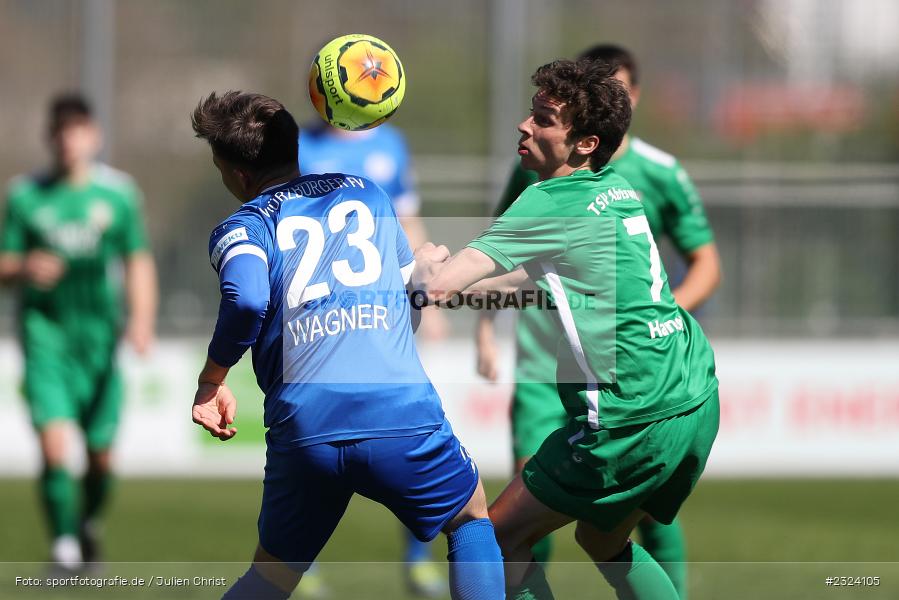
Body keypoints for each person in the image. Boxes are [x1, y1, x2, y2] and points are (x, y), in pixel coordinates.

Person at [414, 58, 719, 599]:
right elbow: (520, 281)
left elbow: (441, 285)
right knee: (603, 542)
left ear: (585, 142)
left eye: (544, 119)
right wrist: (448, 285)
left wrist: (423, 268)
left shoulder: (548, 200)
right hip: (693, 394)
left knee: (496, 534)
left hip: (630, 413)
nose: (524, 126)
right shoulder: (615, 188)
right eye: (531, 114)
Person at [189, 91, 504, 600]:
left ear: (236, 174)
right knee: (470, 518)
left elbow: (246, 299)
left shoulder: (244, 226)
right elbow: (407, 309)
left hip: (306, 427)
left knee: (270, 577)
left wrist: (212, 379)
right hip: (397, 412)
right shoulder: (368, 195)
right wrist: (424, 276)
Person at [0, 93, 157, 571]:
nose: (69, 142)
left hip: (100, 337)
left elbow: (137, 259)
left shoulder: (119, 195)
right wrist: (24, 267)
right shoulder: (24, 196)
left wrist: (142, 321)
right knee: (52, 445)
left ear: (95, 136)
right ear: (50, 138)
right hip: (47, 333)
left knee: (101, 456)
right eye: (61, 132)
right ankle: (64, 545)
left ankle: (86, 522)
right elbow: (4, 263)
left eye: (78, 131)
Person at [298, 120, 448, 597]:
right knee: (311, 438)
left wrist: (427, 294)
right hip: (320, 315)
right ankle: (301, 560)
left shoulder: (391, 145)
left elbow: (408, 217)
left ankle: (418, 559)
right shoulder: (300, 145)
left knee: (416, 427)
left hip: (385, 308)